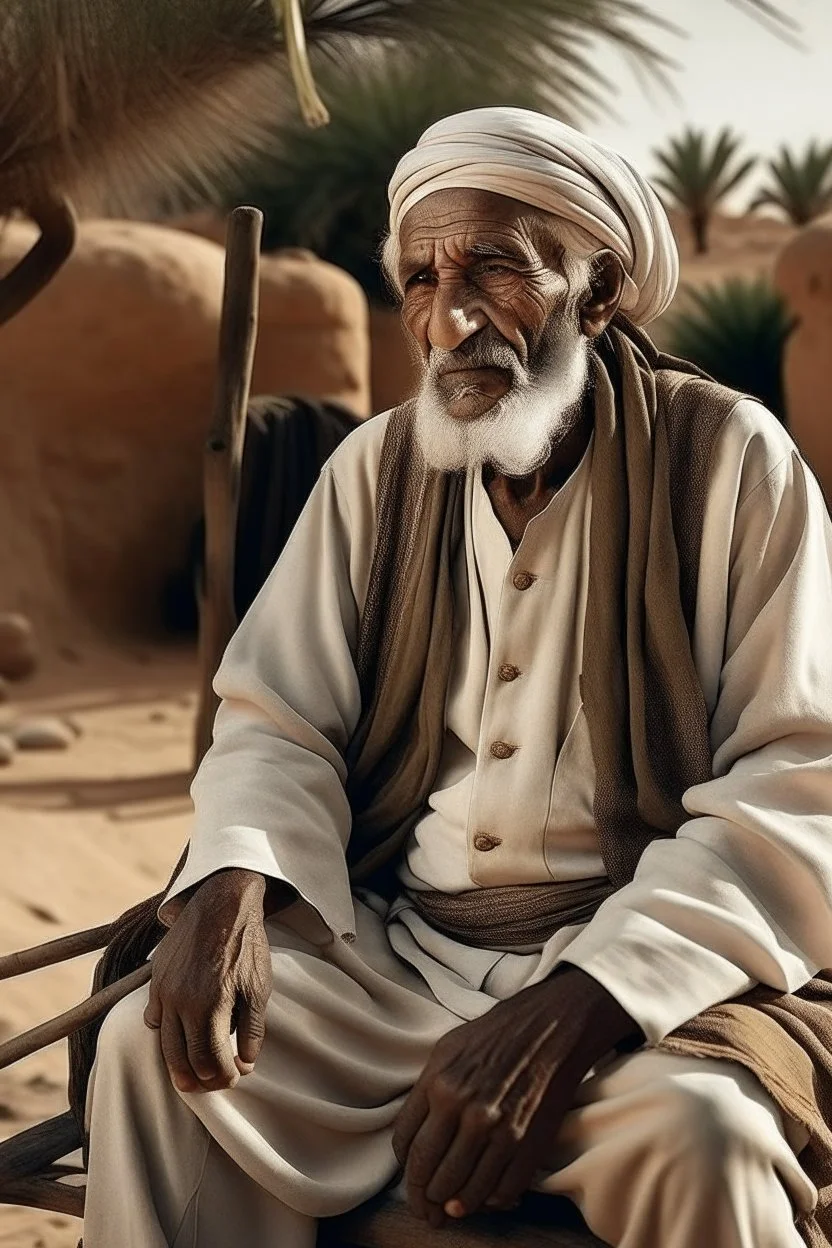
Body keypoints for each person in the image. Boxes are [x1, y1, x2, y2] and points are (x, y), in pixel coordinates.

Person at [83, 108, 832, 1248]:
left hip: (646, 994)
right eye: (422, 279)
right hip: (399, 965)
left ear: (598, 293)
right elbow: (281, 721)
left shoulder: (728, 463)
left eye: (495, 267)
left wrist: (581, 1006)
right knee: (157, 1054)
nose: (453, 316)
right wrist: (231, 879)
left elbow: (800, 772)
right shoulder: (373, 471)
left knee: (706, 1137)